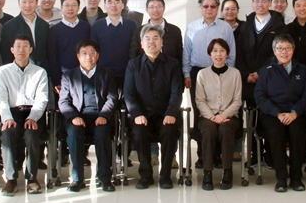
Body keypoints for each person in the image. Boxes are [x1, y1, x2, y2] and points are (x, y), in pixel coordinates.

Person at [124, 24, 184, 189]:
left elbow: (176, 92)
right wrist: (136, 114)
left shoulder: (172, 64)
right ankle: (145, 175)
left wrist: (171, 113)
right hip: (142, 115)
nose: (151, 42)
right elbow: (129, 93)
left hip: (165, 114)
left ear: (161, 42)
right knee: (139, 132)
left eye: (155, 38)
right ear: (141, 44)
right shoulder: (133, 65)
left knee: (170, 131)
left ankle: (165, 175)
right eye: (147, 39)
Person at [57, 39, 118, 192]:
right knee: (74, 134)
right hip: (78, 118)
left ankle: (104, 178)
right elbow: (63, 101)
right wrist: (73, 117)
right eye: (84, 53)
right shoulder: (68, 76)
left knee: (103, 133)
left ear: (98, 55)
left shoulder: (107, 74)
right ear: (78, 56)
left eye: (92, 53)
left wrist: (104, 115)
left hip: (100, 116)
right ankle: (77, 179)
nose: (88, 57)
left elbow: (112, 98)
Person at [254, 34, 306, 192]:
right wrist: (277, 113)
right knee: (276, 132)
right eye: (280, 48)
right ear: (274, 51)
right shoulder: (265, 71)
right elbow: (260, 97)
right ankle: (281, 177)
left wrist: (294, 113)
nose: (284, 52)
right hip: (273, 115)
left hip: (297, 114)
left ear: (293, 50)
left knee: (297, 131)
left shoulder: (303, 70)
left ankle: (296, 177)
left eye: (287, 48)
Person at [0, 34, 50, 196]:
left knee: (32, 135)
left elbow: (42, 99)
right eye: (18, 46)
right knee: (8, 134)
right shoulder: (3, 71)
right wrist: (7, 118)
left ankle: (32, 178)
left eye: (25, 46)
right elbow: (1, 99)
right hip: (12, 112)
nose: (21, 49)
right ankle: (11, 179)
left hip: (33, 112)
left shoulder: (40, 72)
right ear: (12, 50)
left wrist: (33, 117)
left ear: (30, 49)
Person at [194, 38, 242, 191]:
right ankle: (207, 172)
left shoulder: (235, 74)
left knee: (226, 129)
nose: (218, 54)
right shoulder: (202, 74)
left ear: (227, 54)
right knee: (209, 129)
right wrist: (211, 116)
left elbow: (237, 100)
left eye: (222, 51)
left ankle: (227, 172)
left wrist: (223, 115)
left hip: (230, 117)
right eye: (215, 51)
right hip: (207, 117)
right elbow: (200, 100)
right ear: (210, 54)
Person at [237, 0, 284, 105]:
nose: (260, 5)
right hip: (249, 80)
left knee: (269, 112)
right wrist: (246, 75)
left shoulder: (280, 27)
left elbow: (279, 54)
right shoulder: (245, 26)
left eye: (264, 1)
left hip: (271, 79)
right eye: (257, 1)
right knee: (251, 112)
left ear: (269, 3)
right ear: (252, 3)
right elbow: (239, 52)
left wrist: (260, 73)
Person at [184, 0, 237, 93]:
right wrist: (186, 74)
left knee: (220, 102)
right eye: (205, 6)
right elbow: (187, 52)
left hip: (220, 73)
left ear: (217, 8)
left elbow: (231, 53)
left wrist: (228, 73)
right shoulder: (192, 27)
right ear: (201, 8)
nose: (209, 9)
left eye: (213, 6)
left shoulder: (226, 28)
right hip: (197, 72)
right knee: (198, 102)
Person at [91, 0, 139, 83]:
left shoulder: (131, 24)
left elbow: (136, 48)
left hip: (127, 73)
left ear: (123, 5)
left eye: (117, 2)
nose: (113, 5)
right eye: (109, 2)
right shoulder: (97, 25)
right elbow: (94, 50)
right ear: (105, 6)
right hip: (103, 74)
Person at [47, 0, 91, 89]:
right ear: (61, 8)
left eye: (74, 5)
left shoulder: (86, 27)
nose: (70, 8)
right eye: (67, 5)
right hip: (64, 77)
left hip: (85, 75)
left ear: (78, 7)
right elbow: (52, 57)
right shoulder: (54, 30)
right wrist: (56, 81)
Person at [0, 0, 50, 68]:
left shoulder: (44, 25)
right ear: (19, 3)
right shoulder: (9, 26)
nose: (27, 5)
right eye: (24, 1)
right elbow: (6, 54)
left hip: (42, 70)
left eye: (31, 1)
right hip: (18, 70)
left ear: (37, 2)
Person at [130, 0, 183, 66]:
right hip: (145, 70)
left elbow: (179, 56)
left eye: (158, 6)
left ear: (164, 8)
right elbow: (133, 54)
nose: (155, 10)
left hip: (169, 70)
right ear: (147, 9)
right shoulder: (139, 31)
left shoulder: (175, 31)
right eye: (151, 7)